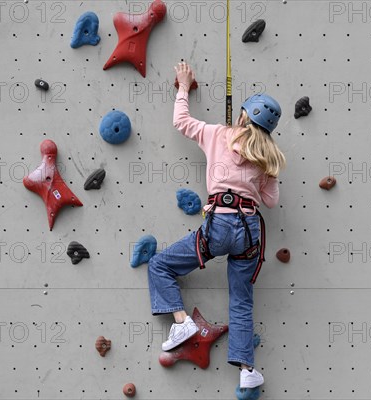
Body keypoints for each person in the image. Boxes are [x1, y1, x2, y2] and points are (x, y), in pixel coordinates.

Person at [147, 62, 286, 389]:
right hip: (250, 230)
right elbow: (271, 201)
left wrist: (183, 85)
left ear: (242, 115)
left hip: (220, 223)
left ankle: (181, 322)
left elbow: (181, 122)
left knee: (160, 265)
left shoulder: (218, 134)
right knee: (241, 299)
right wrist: (265, 174)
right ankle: (247, 370)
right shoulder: (269, 157)